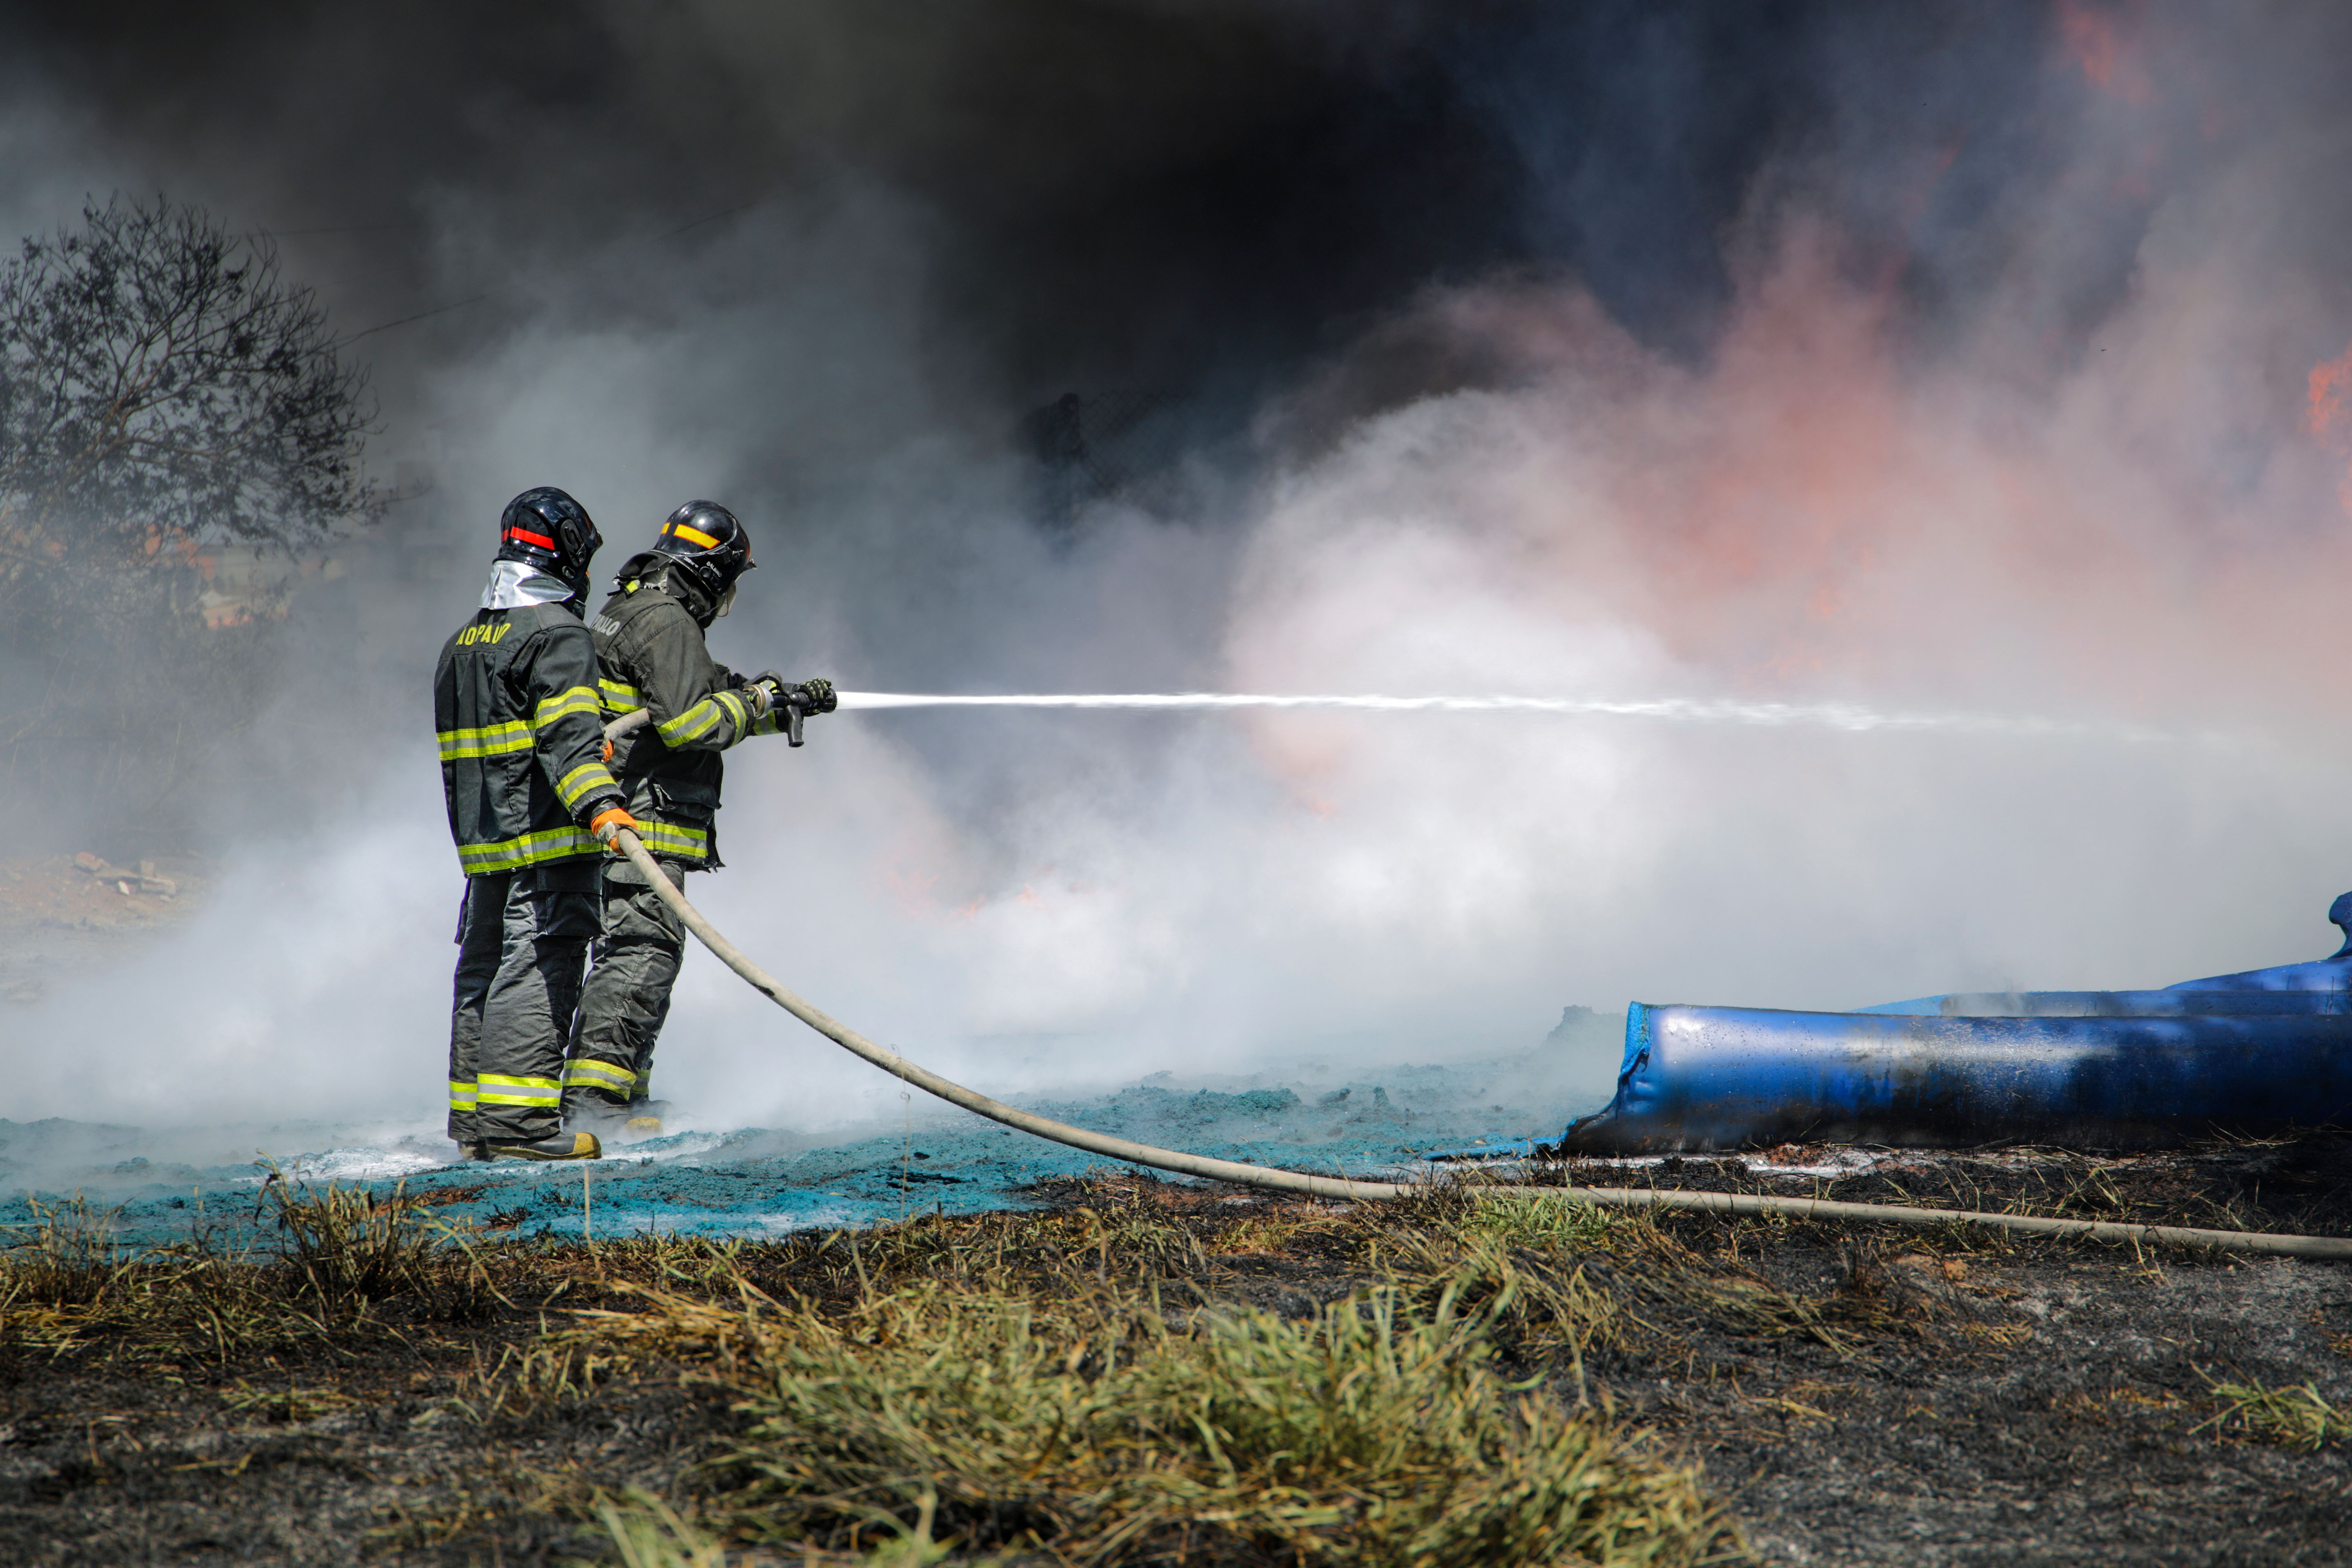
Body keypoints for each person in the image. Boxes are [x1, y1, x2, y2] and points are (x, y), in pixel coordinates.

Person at [564, 500, 834, 1134]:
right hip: (645, 819)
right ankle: (597, 1108)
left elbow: (706, 697)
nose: (732, 598)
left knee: (638, 954)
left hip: (627, 817)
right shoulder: (666, 623)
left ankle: (622, 1097)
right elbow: (691, 725)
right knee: (642, 952)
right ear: (712, 574)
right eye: (733, 582)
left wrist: (782, 702)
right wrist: (755, 700)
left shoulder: (634, 610)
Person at [434, 487, 640, 1162]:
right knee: (537, 963)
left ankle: (477, 1126)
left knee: (484, 969)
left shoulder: (464, 641)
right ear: (571, 556)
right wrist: (603, 805)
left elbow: (514, 742)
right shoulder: (556, 633)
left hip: (485, 844)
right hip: (547, 844)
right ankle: (522, 1129)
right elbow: (569, 744)